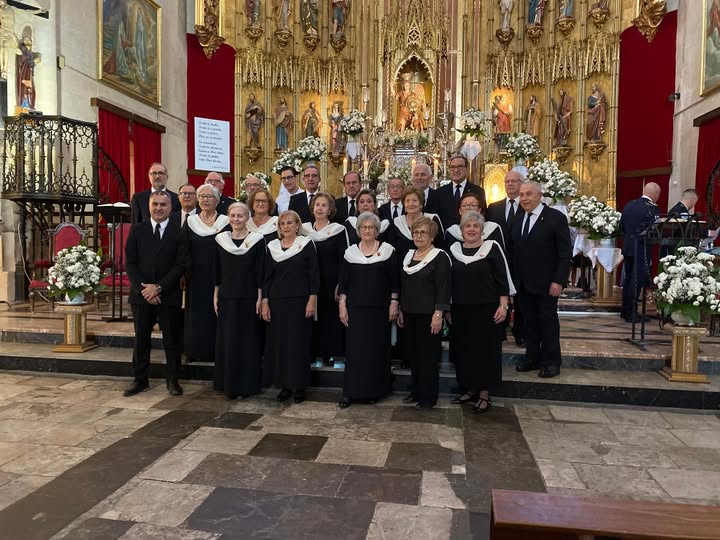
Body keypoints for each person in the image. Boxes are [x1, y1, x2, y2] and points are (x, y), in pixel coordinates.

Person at [449, 211, 514, 413]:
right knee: (464, 350)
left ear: (482, 230)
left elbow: (502, 277)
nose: (471, 229)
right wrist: (448, 306)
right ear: (461, 230)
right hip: (460, 308)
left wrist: (503, 305)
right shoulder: (454, 250)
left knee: (485, 351)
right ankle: (470, 388)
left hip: (487, 309)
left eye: (475, 226)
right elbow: (448, 281)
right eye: (467, 226)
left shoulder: (491, 248)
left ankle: (484, 393)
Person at [124, 191, 187, 397]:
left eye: (163, 205)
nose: (159, 208)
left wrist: (158, 287)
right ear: (149, 206)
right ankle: (140, 380)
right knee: (141, 339)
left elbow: (180, 265)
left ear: (171, 207)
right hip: (141, 295)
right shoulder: (137, 230)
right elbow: (131, 263)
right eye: (155, 204)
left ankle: (173, 380)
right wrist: (145, 289)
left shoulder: (179, 232)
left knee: (172, 341)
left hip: (168, 295)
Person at [508, 181, 571, 378]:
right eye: (521, 195)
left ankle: (551, 362)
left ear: (539, 196)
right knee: (529, 323)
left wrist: (558, 281)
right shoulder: (517, 220)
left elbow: (564, 253)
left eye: (529, 194)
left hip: (547, 284)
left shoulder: (555, 218)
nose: (524, 198)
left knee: (548, 323)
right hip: (523, 284)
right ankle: (532, 358)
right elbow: (513, 253)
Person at [338, 212, 399, 408]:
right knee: (355, 351)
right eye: (363, 227)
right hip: (356, 310)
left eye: (371, 227)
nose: (367, 230)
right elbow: (344, 283)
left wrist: (394, 302)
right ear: (358, 231)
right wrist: (342, 305)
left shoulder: (387, 251)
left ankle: (373, 391)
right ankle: (350, 392)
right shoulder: (350, 253)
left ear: (377, 231)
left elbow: (395, 281)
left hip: (379, 310)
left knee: (376, 351)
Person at [262, 211, 320, 403]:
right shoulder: (272, 247)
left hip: (299, 301)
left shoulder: (306, 244)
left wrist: (312, 300)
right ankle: (285, 385)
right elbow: (267, 277)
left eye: (289, 223)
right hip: (277, 302)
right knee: (280, 345)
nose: (286, 226)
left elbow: (314, 274)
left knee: (298, 344)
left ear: (297, 225)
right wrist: (265, 301)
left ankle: (299, 386)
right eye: (282, 223)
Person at [398, 216, 451, 409]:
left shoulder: (440, 256)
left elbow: (443, 287)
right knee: (413, 355)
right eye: (416, 232)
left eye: (423, 232)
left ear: (432, 236)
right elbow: (404, 286)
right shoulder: (409, 256)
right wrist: (401, 309)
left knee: (427, 357)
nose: (419, 236)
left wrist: (438, 314)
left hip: (429, 316)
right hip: (409, 313)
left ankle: (428, 397)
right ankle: (416, 391)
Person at [214, 202, 265, 399]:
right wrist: (216, 294)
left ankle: (246, 386)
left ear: (247, 218)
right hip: (227, 297)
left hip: (249, 297)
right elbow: (217, 271)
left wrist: (260, 297)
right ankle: (228, 386)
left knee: (247, 342)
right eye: (233, 215)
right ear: (228, 217)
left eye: (240, 216)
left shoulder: (257, 240)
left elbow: (260, 270)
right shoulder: (221, 240)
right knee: (228, 341)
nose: (236, 219)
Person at [184, 184, 230, 365]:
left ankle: (215, 350)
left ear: (217, 200)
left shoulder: (225, 222)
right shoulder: (191, 221)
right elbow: (184, 249)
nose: (205, 199)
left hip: (218, 276)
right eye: (202, 196)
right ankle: (195, 351)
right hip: (195, 277)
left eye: (209, 196)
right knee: (196, 315)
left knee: (215, 313)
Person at [301, 193, 348, 368]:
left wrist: (341, 283)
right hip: (309, 283)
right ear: (312, 208)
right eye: (317, 205)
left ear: (330, 210)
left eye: (324, 205)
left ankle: (331, 355)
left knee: (330, 318)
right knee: (311, 318)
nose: (319, 208)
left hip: (331, 283)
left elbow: (345, 258)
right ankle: (314, 354)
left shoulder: (338, 230)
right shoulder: (304, 230)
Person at [486, 170, 525, 345]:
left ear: (521, 184)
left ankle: (520, 333)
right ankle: (500, 330)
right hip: (499, 259)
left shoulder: (526, 206)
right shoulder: (494, 207)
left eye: (514, 181)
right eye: (507, 181)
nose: (510, 184)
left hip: (519, 260)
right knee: (499, 296)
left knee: (520, 299)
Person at [619, 182, 661, 323]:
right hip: (642, 248)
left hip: (628, 247)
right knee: (636, 280)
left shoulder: (629, 205)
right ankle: (631, 313)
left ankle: (625, 310)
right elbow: (654, 231)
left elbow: (621, 227)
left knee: (628, 279)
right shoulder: (651, 209)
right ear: (655, 194)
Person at [390, 186, 444, 262]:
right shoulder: (397, 222)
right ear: (403, 205)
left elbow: (441, 246)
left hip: (429, 264)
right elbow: (392, 249)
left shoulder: (432, 219)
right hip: (402, 265)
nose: (411, 204)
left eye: (414, 200)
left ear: (421, 204)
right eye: (407, 201)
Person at [436, 154, 487, 229]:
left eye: (460, 166)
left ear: (466, 169)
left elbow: (483, 215)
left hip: (471, 232)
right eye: (453, 167)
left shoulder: (478, 191)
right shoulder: (440, 192)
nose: (456, 170)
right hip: (447, 234)